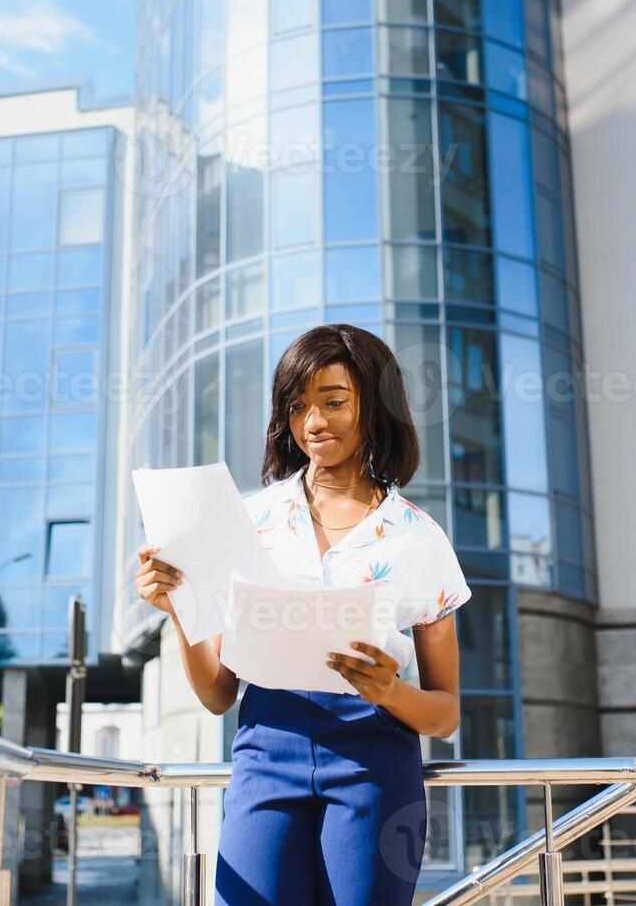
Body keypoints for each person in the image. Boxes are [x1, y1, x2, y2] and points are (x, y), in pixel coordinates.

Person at [135, 323, 472, 906]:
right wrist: (180, 611)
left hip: (375, 767)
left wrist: (388, 690)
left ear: (376, 404)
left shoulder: (419, 538)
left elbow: (444, 714)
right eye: (297, 406)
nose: (314, 422)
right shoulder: (248, 521)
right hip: (265, 754)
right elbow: (219, 694)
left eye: (334, 402)